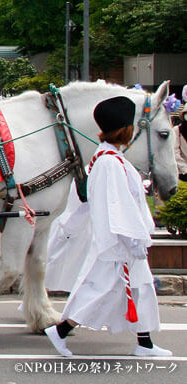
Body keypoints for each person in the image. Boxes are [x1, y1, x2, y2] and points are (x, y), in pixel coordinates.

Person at [44, 96, 171, 358]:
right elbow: (117, 206)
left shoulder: (108, 159)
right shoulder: (110, 162)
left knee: (140, 289)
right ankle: (60, 331)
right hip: (118, 243)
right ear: (125, 130)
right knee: (99, 291)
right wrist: (132, 239)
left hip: (122, 242)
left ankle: (144, 342)